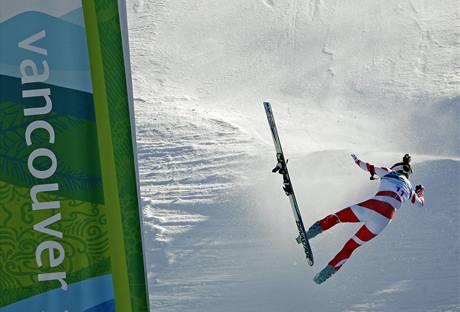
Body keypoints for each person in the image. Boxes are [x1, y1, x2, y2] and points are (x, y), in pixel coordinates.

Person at [307, 153, 425, 284]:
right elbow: (420, 203)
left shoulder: (389, 172)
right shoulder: (409, 190)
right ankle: (325, 274)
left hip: (374, 206)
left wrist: (356, 159)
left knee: (337, 218)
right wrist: (420, 192)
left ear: (396, 168)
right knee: (350, 247)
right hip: (384, 220)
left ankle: (310, 233)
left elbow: (366, 166)